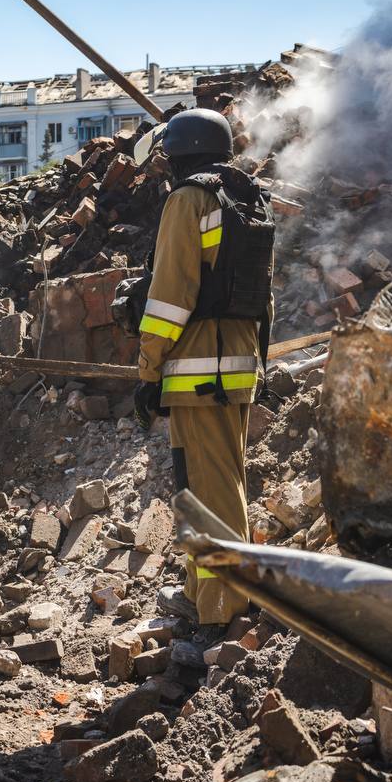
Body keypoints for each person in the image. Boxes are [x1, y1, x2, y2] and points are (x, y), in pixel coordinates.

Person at [133, 108, 275, 627]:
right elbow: (264, 297)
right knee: (210, 484)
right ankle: (199, 591)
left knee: (209, 494)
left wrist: (148, 370)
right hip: (236, 366)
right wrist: (260, 363)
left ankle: (221, 610)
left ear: (181, 153)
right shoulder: (246, 197)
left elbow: (170, 297)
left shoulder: (188, 199)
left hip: (198, 372)